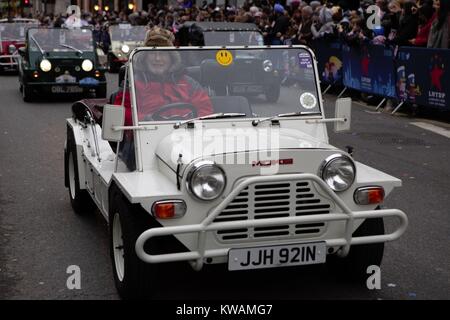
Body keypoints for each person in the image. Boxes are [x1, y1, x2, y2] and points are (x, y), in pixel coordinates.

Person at [114, 27, 213, 126]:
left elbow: (205, 108)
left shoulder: (187, 82)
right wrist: (144, 120)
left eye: (163, 53)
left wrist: (193, 123)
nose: (157, 58)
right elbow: (121, 112)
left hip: (186, 134)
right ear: (145, 57)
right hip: (146, 135)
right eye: (152, 53)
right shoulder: (133, 83)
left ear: (171, 57)